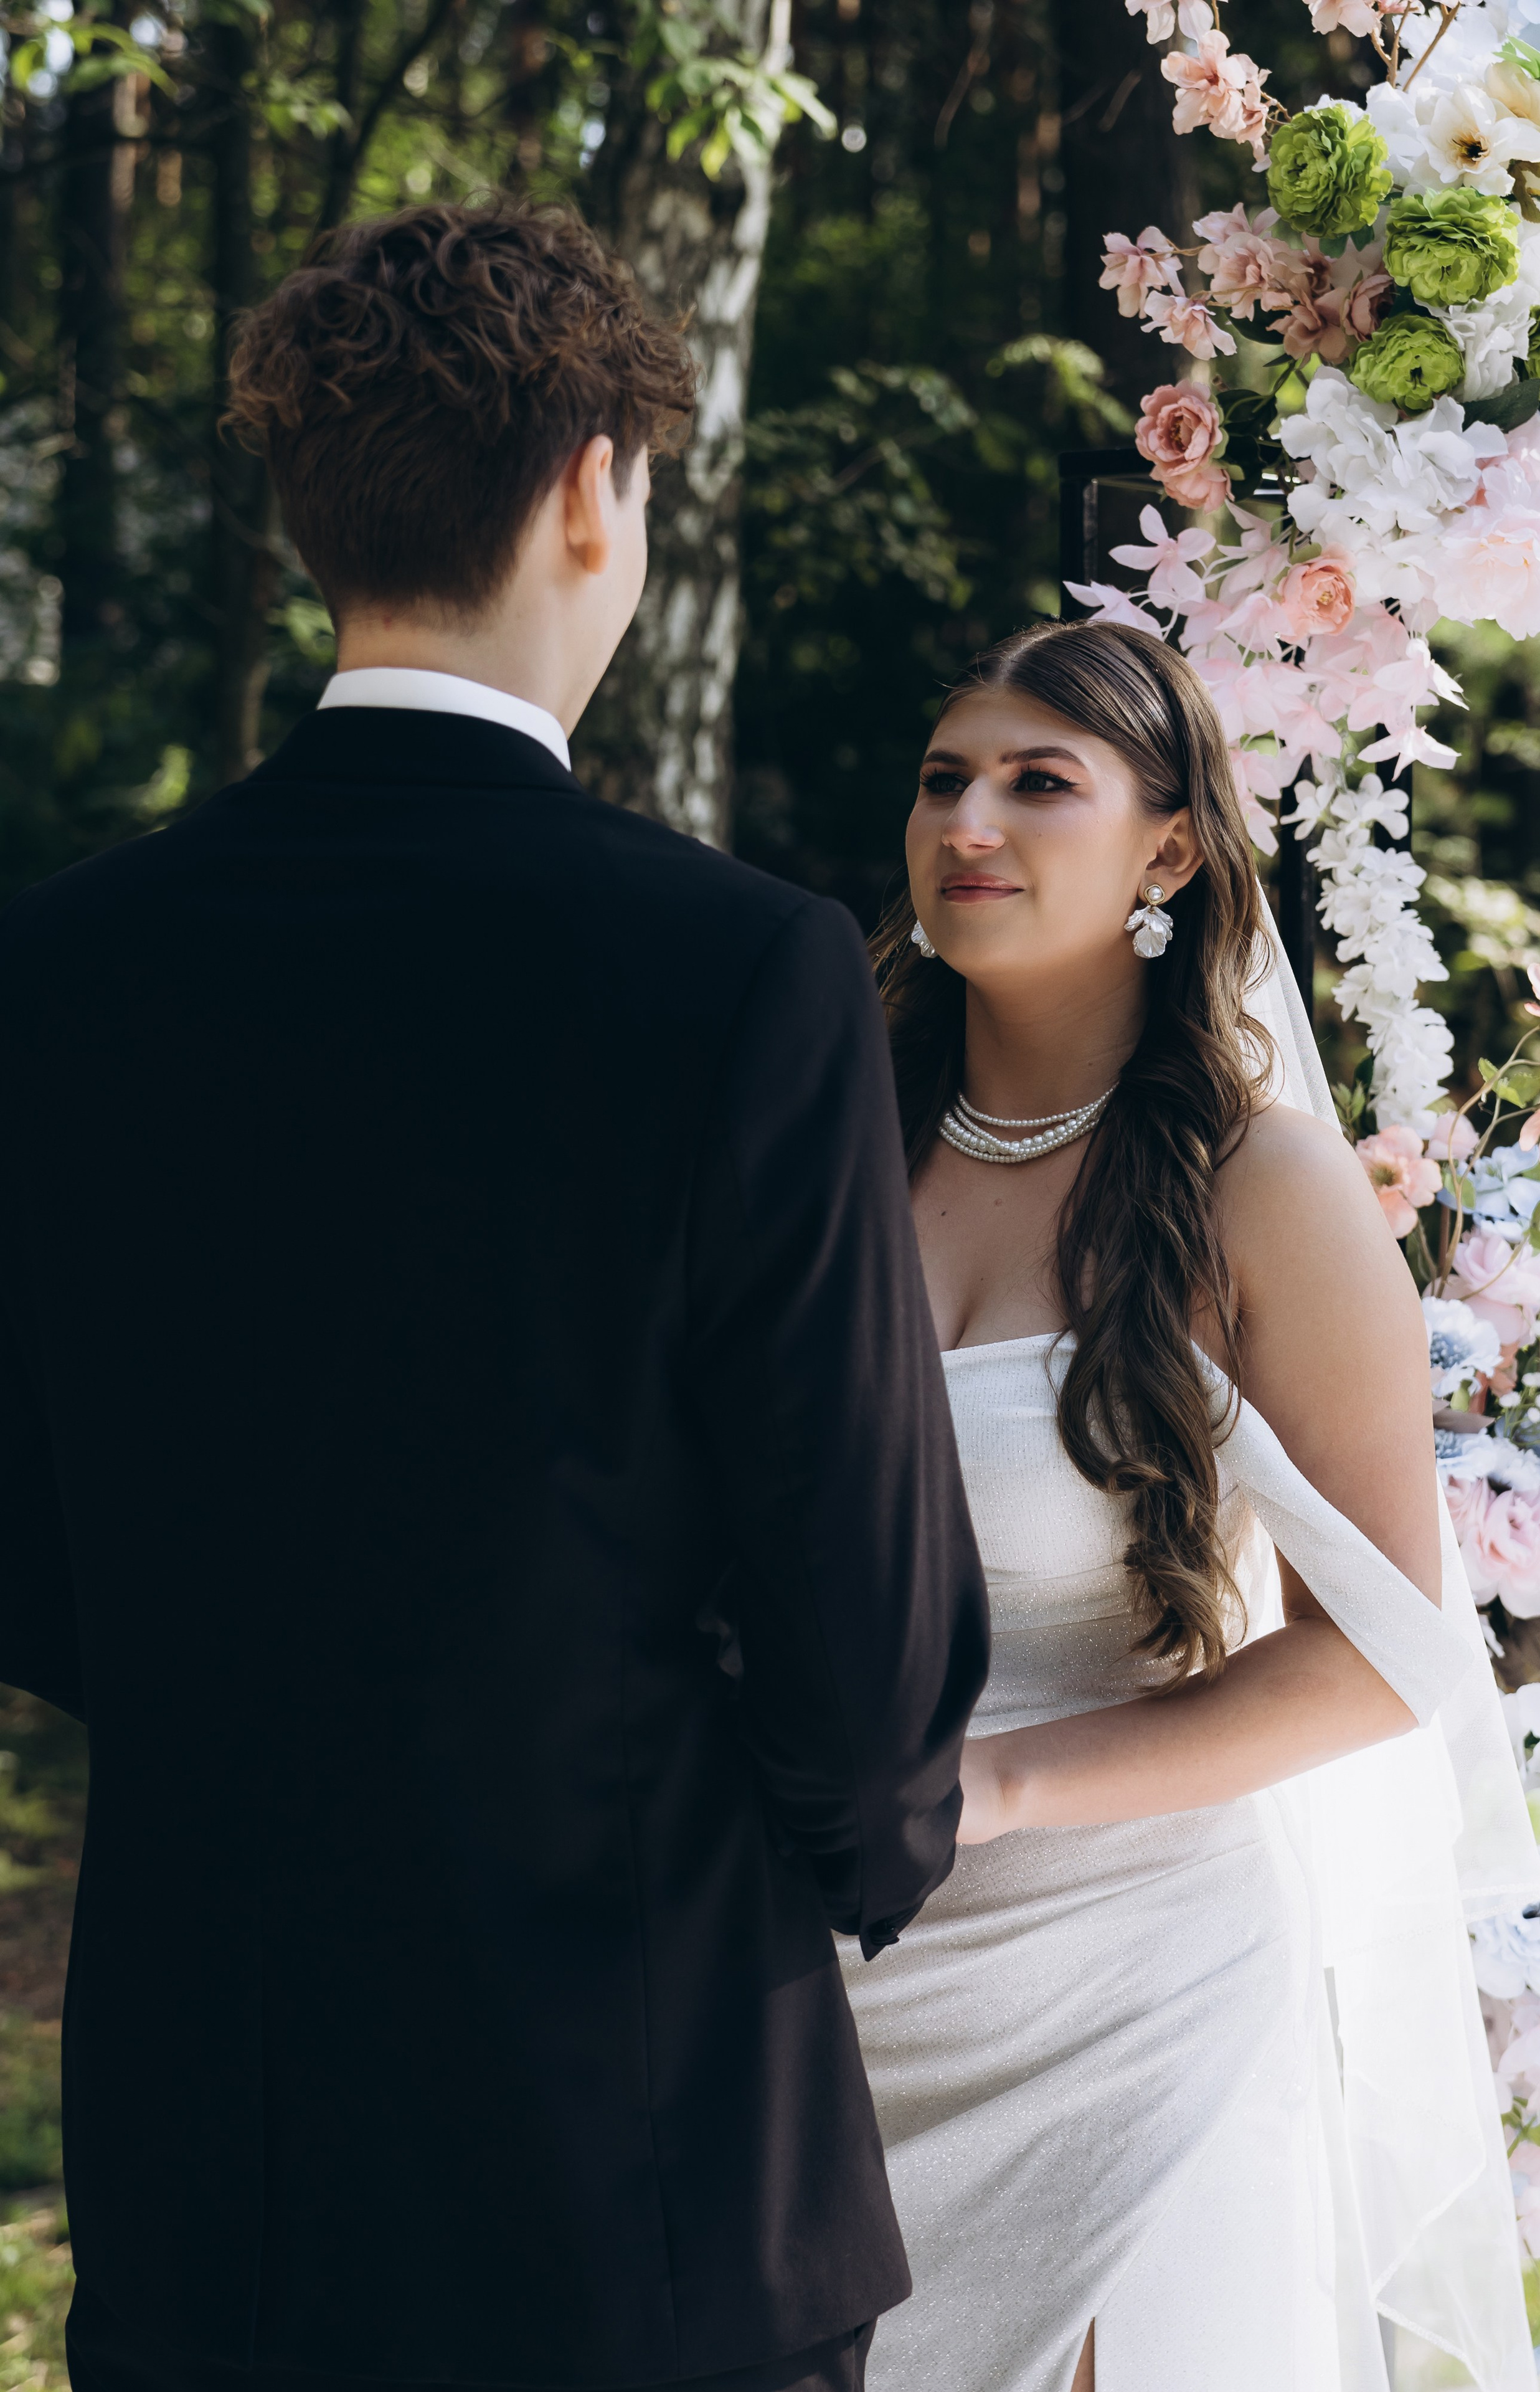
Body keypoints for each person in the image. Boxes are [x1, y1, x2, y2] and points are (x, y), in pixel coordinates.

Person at [0, 202, 990, 2392]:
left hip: (208, 2143)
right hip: (629, 2150)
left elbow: (35, 1557)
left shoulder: (57, 968)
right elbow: (862, 1599)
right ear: (589, 493)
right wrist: (868, 1849)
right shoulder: (741, 969)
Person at [838, 617, 1540, 2392]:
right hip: (822, 1970)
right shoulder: (829, 1134)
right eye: (943, 779)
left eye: (1037, 781)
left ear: (1169, 848)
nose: (968, 818)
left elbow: (1381, 1657)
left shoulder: (1264, 1186)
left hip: (1122, 1987)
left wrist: (993, 1784)